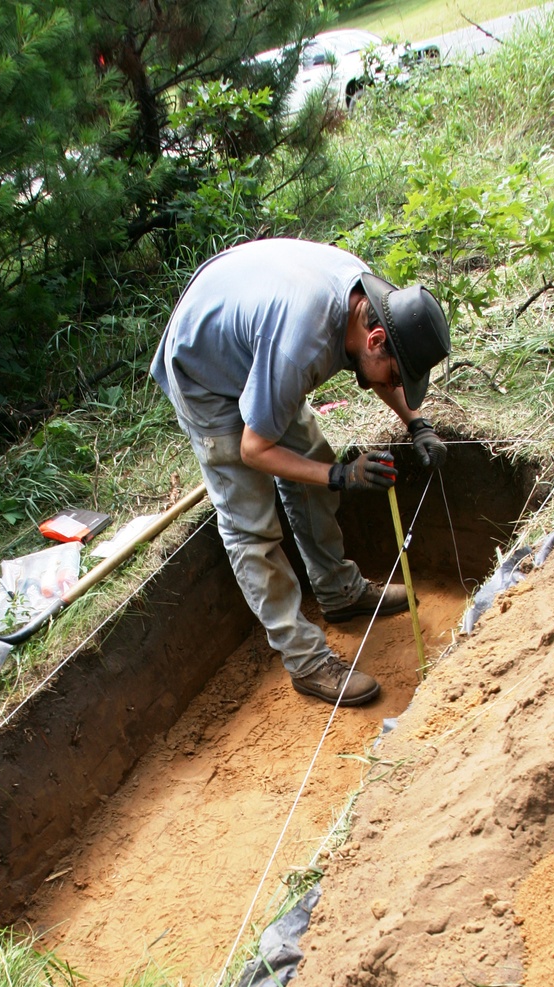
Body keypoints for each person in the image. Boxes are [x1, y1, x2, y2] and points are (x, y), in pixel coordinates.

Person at [150, 238, 451, 706]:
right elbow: (253, 449)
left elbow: (379, 370)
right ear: (374, 338)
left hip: (255, 348)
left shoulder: (372, 302)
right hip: (205, 370)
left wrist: (417, 424)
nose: (395, 388)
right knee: (251, 525)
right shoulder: (301, 345)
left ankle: (338, 591)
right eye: (397, 378)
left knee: (310, 451)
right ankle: (305, 660)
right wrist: (339, 477)